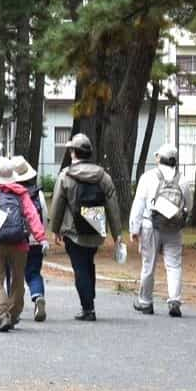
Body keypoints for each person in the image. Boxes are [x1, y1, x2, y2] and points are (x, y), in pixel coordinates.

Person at [48, 133, 123, 322]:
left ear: (73, 153)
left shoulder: (66, 175)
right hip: (95, 225)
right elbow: (113, 206)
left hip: (73, 229)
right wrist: (117, 233)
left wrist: (55, 229)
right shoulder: (103, 176)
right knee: (88, 263)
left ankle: (88, 307)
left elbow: (57, 203)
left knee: (80, 267)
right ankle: (90, 299)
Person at [0, 158, 47, 332]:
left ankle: (2, 314)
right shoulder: (22, 194)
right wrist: (41, 238)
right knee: (18, 280)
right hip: (19, 243)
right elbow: (33, 217)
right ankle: (13, 314)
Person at [129, 143, 192, 317]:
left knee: (148, 264)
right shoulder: (183, 180)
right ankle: (174, 300)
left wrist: (134, 228)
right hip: (174, 228)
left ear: (159, 158)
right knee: (174, 264)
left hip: (151, 225)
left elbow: (139, 204)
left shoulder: (148, 177)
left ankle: (146, 302)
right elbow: (188, 205)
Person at [12, 156, 50, 322]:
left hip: (17, 239)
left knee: (15, 274)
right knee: (34, 272)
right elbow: (45, 216)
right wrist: (42, 238)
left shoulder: (11, 193)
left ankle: (12, 307)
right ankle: (38, 296)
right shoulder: (38, 193)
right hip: (36, 241)